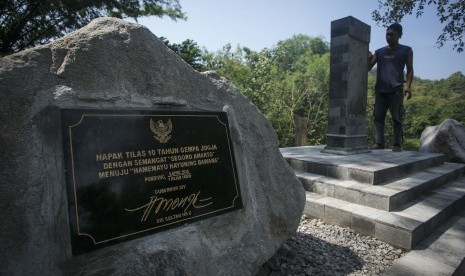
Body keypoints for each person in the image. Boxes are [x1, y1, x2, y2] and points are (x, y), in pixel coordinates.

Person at [368, 23, 414, 152]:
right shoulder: (379, 51)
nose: (388, 37)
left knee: (397, 118)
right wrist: (368, 58)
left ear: (399, 35)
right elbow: (368, 68)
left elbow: (410, 69)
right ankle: (379, 143)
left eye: (392, 34)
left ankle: (397, 144)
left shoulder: (406, 50)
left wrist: (408, 86)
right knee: (378, 118)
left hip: (396, 90)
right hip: (380, 91)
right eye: (387, 34)